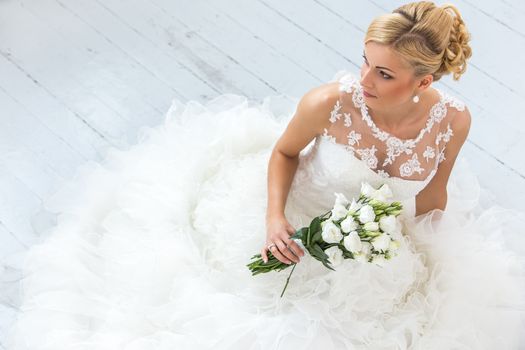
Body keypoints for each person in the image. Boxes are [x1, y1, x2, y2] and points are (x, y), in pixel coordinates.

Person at [2, 1, 524, 349]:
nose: (363, 79)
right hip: (296, 214)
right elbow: (283, 153)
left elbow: (434, 191)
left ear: (423, 80)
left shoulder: (452, 121)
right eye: (363, 62)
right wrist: (274, 218)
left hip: (371, 240)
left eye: (383, 73)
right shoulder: (330, 103)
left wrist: (424, 260)